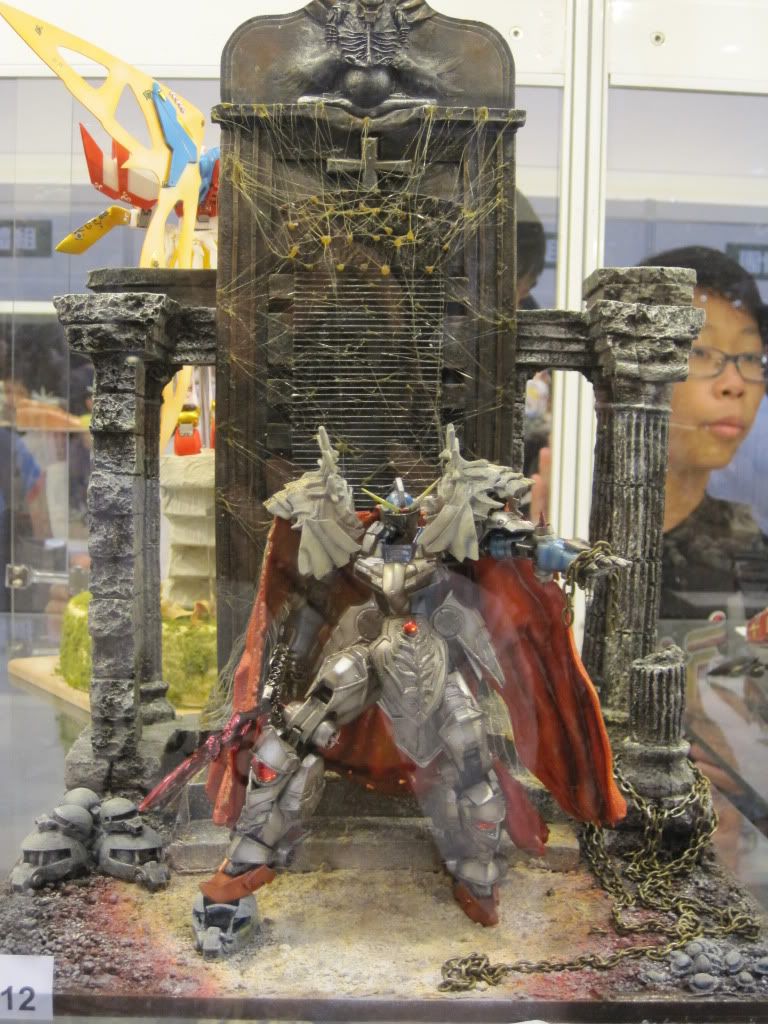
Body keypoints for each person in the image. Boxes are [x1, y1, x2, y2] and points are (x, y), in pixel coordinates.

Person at [642, 246, 768, 619]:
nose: (734, 384)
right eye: (700, 352)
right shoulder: (570, 517)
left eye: (750, 358)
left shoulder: (747, 548)